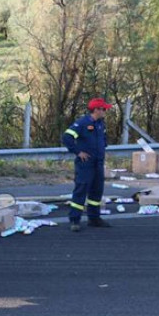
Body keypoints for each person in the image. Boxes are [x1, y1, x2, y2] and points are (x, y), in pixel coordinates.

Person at [62, 98, 112, 232]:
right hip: (86, 164)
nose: (105, 111)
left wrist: (102, 149)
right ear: (96, 110)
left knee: (97, 191)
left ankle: (94, 218)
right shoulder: (83, 123)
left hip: (98, 163)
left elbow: (103, 138)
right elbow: (67, 137)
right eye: (103, 109)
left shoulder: (101, 124)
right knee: (81, 190)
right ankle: (75, 220)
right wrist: (78, 152)